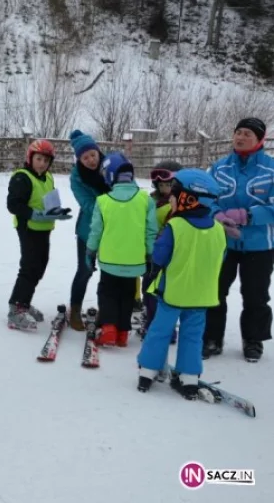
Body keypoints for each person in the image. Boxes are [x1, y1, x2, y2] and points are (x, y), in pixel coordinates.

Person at [137, 169, 226, 398]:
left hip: (173, 293)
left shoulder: (174, 227)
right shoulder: (218, 230)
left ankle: (148, 370)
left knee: (159, 330)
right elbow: (221, 257)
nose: (171, 201)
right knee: (193, 335)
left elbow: (159, 257)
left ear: (188, 199)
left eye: (175, 197)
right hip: (201, 296)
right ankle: (189, 377)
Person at [205, 117, 274, 362]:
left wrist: (248, 215)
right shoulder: (219, 168)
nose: (241, 137)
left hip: (259, 244)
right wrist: (218, 215)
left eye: (248, 134)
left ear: (259, 140)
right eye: (238, 132)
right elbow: (204, 197)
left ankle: (253, 339)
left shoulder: (270, 168)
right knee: (214, 289)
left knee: (255, 294)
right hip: (222, 242)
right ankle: (212, 337)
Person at [86, 152, 158, 347]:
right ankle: (123, 333)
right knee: (127, 294)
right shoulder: (146, 200)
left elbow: (95, 232)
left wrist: (90, 253)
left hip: (109, 261)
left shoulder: (103, 201)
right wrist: (151, 256)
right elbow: (151, 232)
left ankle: (109, 328)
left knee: (107, 292)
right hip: (135, 262)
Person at [7, 139, 72, 331]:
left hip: (44, 228)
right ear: (30, 158)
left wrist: (56, 211)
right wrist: (32, 213)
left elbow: (48, 200)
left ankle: (24, 303)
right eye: (38, 159)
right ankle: (16, 309)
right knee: (29, 266)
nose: (42, 163)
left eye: (46, 160)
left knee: (40, 266)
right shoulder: (22, 177)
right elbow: (13, 205)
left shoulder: (48, 177)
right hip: (28, 228)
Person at [67, 129, 109, 330]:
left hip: (115, 230)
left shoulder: (112, 166)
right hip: (88, 229)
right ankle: (74, 310)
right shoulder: (77, 177)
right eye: (85, 158)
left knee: (111, 272)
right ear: (79, 160)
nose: (91, 160)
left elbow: (128, 187)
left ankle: (108, 311)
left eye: (93, 155)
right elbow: (88, 204)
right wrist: (114, 208)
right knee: (85, 270)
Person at [138, 160, 183, 339]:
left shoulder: (177, 205)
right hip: (150, 254)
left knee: (162, 292)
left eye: (169, 184)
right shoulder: (150, 200)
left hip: (167, 256)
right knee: (148, 289)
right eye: (161, 184)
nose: (165, 188)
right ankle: (152, 320)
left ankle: (163, 328)